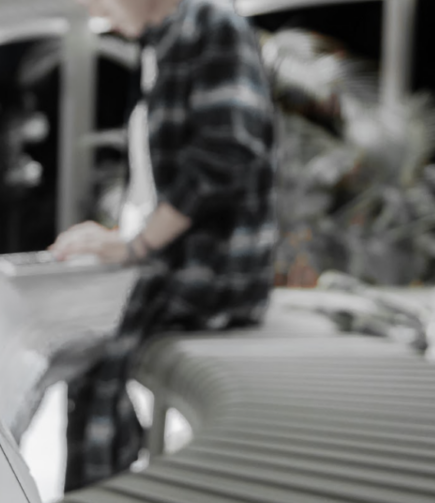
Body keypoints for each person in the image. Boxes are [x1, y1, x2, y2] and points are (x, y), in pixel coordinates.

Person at [49, 0, 277, 491]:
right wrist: (120, 240)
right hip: (176, 262)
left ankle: (97, 485)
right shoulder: (164, 44)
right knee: (66, 334)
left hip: (214, 272)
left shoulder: (212, 26)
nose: (96, 11)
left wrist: (135, 247)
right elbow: (166, 187)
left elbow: (225, 158)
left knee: (88, 348)